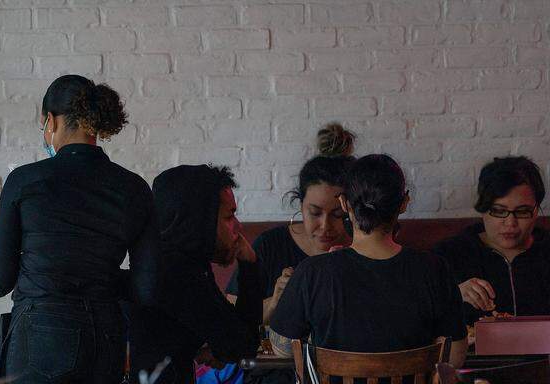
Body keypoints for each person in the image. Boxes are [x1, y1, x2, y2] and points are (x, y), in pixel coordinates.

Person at [0, 74, 161, 384]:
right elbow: (146, 290)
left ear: (51, 122)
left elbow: (0, 279)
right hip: (107, 338)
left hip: (43, 336)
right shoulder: (135, 188)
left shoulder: (25, 181)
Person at [269, 154, 467, 380]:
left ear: (344, 203)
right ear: (403, 203)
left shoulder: (312, 272)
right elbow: (455, 357)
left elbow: (282, 349)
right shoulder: (435, 269)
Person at [132, 165, 262, 384]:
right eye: (229, 217)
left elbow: (235, 338)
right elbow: (243, 344)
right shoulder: (178, 273)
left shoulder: (175, 263)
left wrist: (222, 346)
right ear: (200, 220)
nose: (238, 227)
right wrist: (250, 266)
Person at [226, 124, 356, 325]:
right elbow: (231, 314)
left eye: (338, 215)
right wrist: (276, 302)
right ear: (300, 204)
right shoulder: (271, 245)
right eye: (314, 213)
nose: (325, 226)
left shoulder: (363, 246)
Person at [433, 156, 550, 325]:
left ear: (536, 210)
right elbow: (417, 313)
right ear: (483, 208)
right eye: (499, 211)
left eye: (523, 211)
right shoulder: (449, 255)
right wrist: (452, 294)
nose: (510, 223)